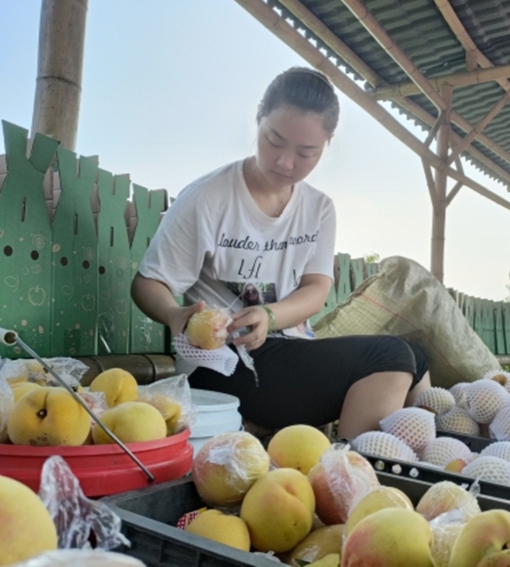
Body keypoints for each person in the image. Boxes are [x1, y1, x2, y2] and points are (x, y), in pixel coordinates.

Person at [131, 66, 430, 439]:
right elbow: (148, 283)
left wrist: (270, 317)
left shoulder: (318, 208)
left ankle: (415, 463)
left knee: (416, 357)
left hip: (287, 354)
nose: (286, 162)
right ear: (258, 119)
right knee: (391, 356)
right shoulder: (209, 197)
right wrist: (174, 314)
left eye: (307, 152)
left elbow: (316, 289)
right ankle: (350, 471)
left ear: (326, 146)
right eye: (274, 140)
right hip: (223, 362)